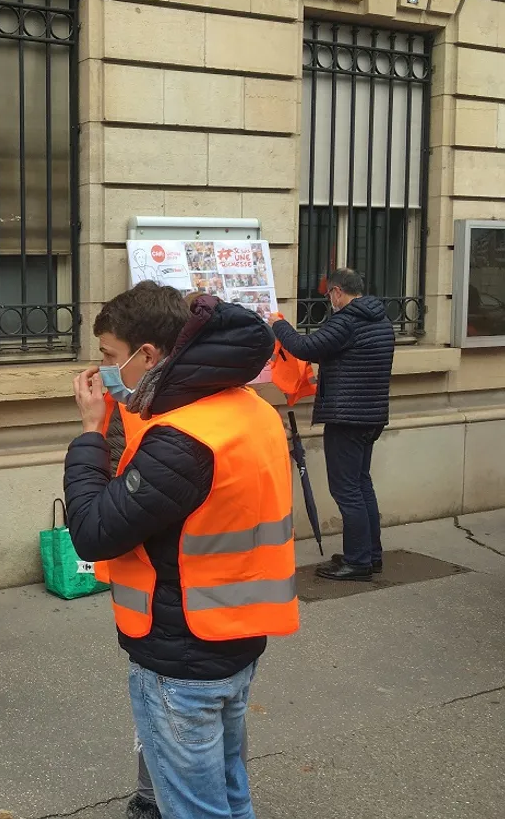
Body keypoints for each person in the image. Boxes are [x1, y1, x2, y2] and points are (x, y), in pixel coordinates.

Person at [65, 284, 299, 819]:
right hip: (234, 636)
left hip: (182, 653)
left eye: (108, 356)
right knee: (228, 790)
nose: (102, 370)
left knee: (196, 808)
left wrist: (89, 433)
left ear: (147, 355)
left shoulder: (183, 439)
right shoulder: (249, 408)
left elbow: (94, 532)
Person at [268, 268, 395, 581]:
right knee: (361, 484)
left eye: (330, 295)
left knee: (347, 491)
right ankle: (369, 555)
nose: (330, 301)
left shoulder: (348, 320)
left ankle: (357, 562)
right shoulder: (381, 319)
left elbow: (304, 347)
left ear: (338, 292)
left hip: (347, 417)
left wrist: (278, 324)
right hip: (371, 416)